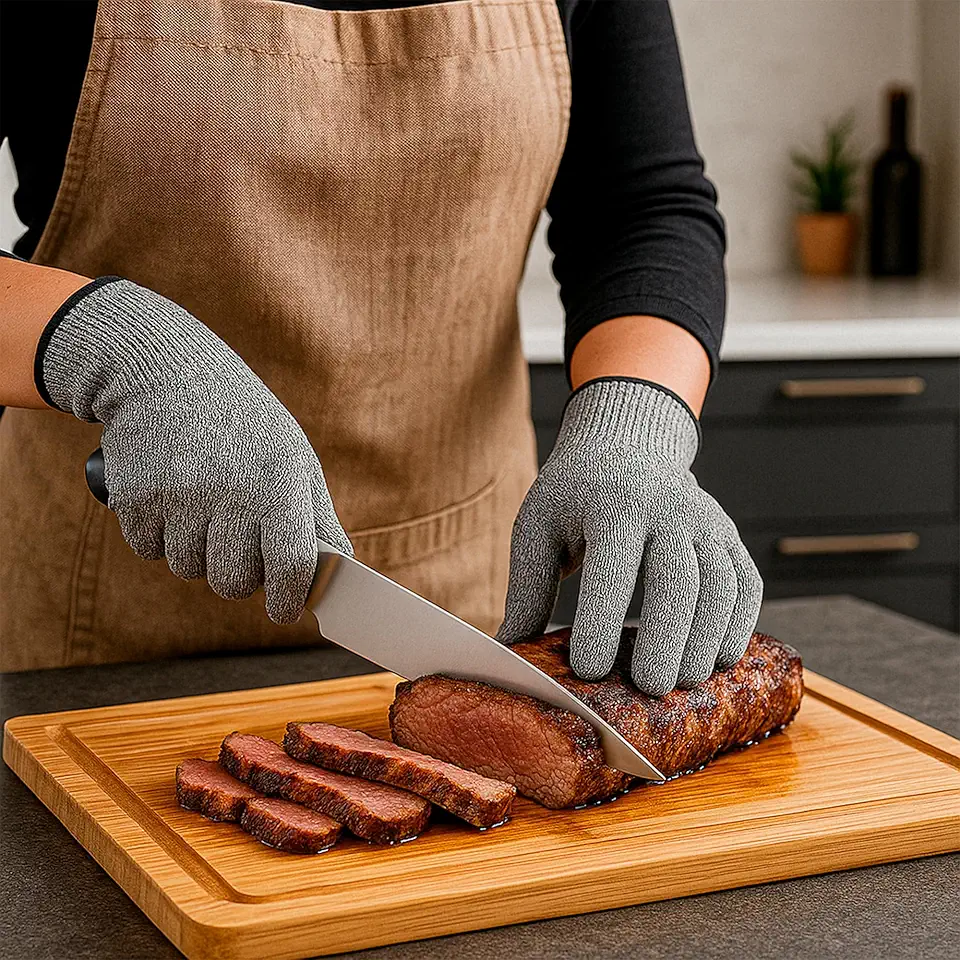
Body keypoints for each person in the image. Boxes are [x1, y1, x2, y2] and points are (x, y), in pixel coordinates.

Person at [0, 0, 762, 693]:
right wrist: (118, 350)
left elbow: (642, 210)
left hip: (461, 606)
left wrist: (635, 427)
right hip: (105, 625)